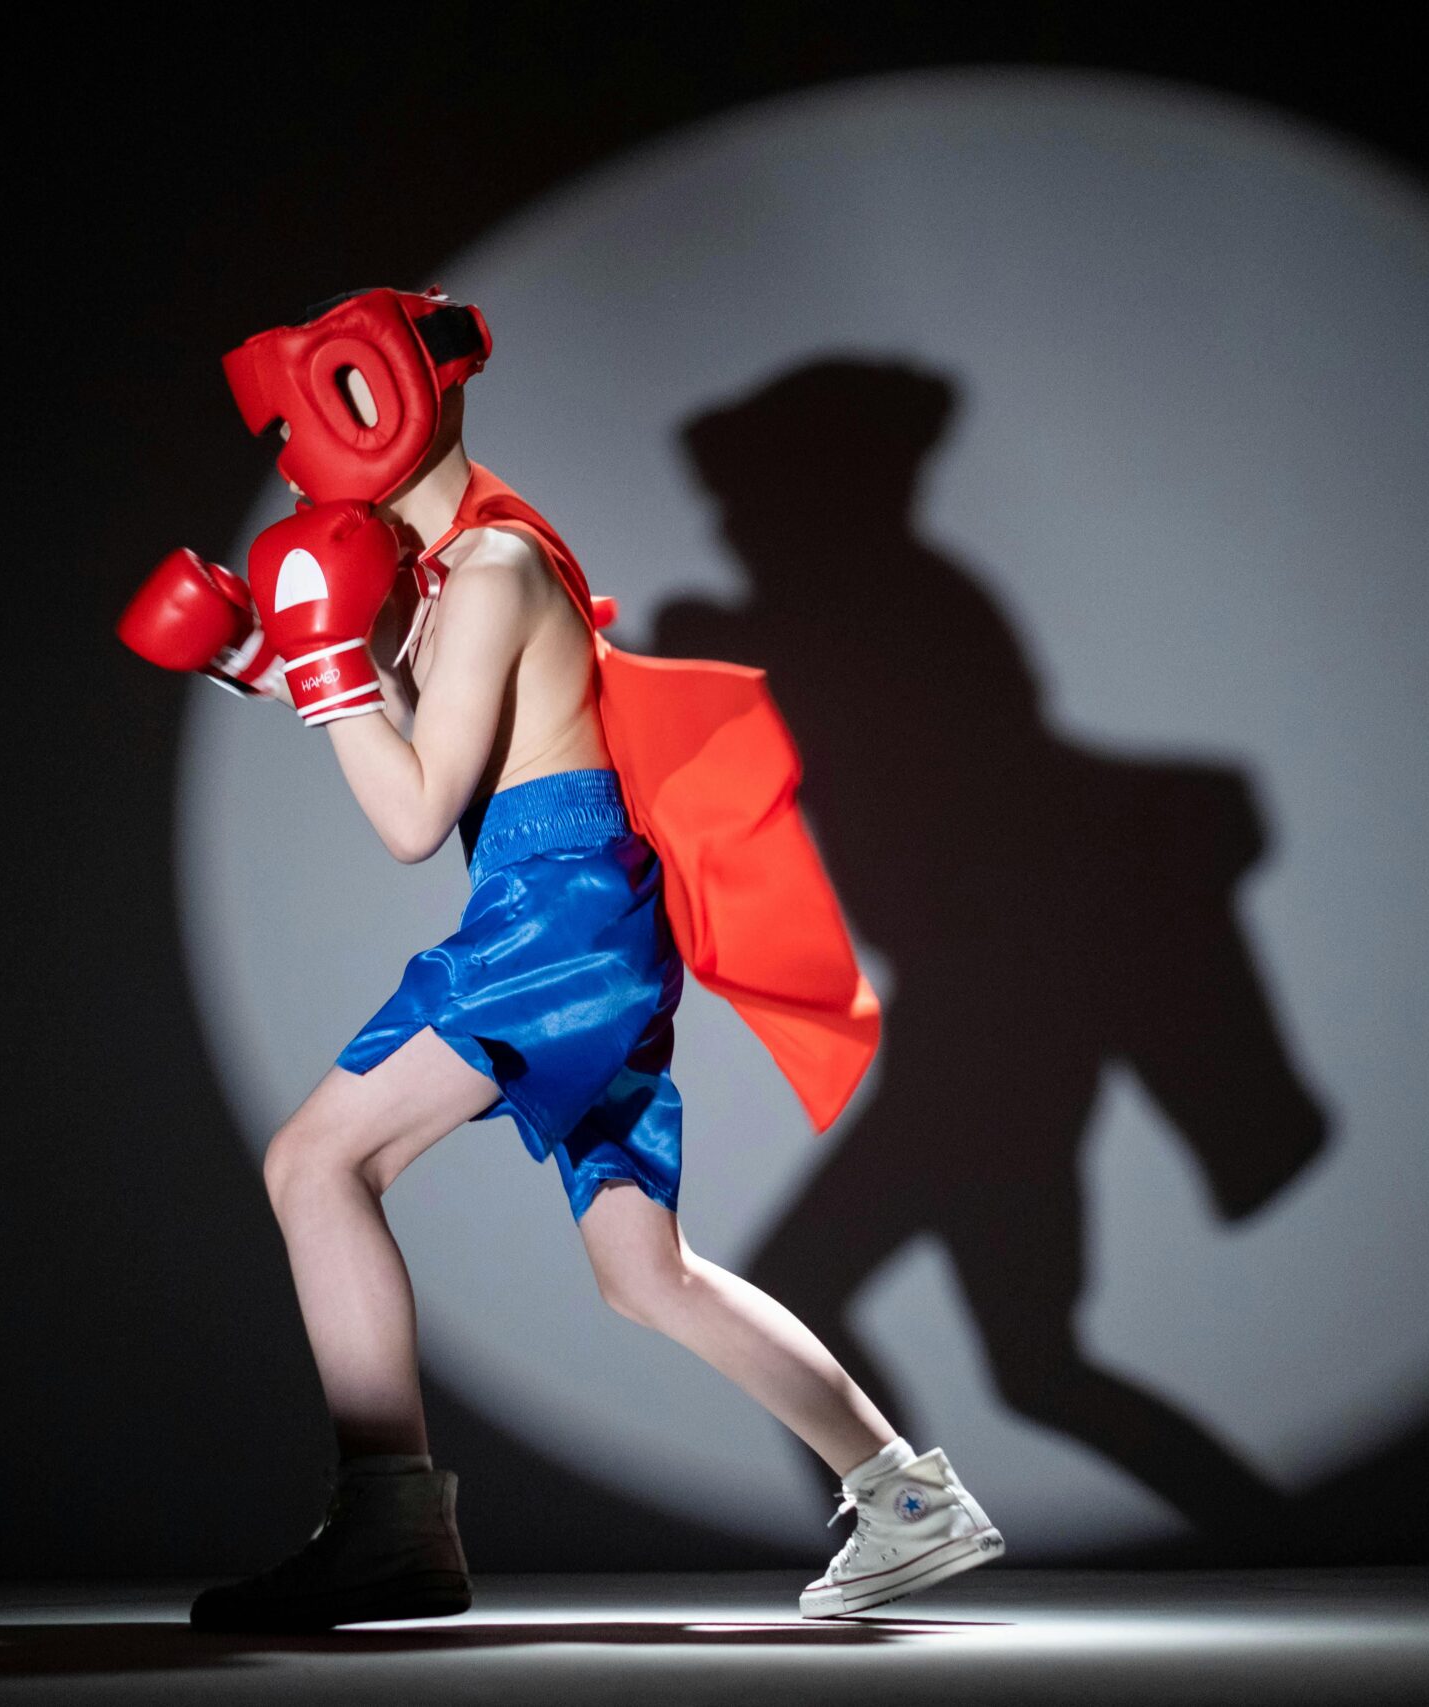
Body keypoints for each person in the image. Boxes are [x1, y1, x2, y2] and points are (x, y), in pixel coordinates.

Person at [118, 287, 1002, 1629]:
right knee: (645, 1271)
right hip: (585, 913)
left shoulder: (488, 574)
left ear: (358, 405)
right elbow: (441, 746)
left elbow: (416, 815)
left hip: (558, 920)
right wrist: (273, 657)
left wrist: (318, 668)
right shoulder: (475, 557)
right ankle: (908, 1500)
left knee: (316, 1161)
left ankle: (391, 1524)